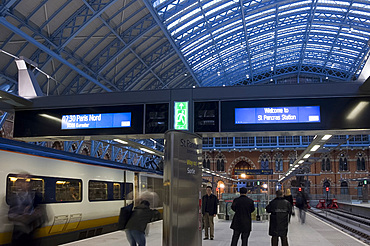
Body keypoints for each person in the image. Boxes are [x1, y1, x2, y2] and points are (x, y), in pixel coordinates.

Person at [8, 173, 47, 246]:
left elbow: (43, 214)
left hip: (31, 236)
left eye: (23, 181)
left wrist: (31, 216)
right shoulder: (13, 197)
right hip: (17, 236)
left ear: (29, 184)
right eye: (18, 181)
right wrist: (19, 218)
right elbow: (9, 215)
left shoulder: (36, 197)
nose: (20, 184)